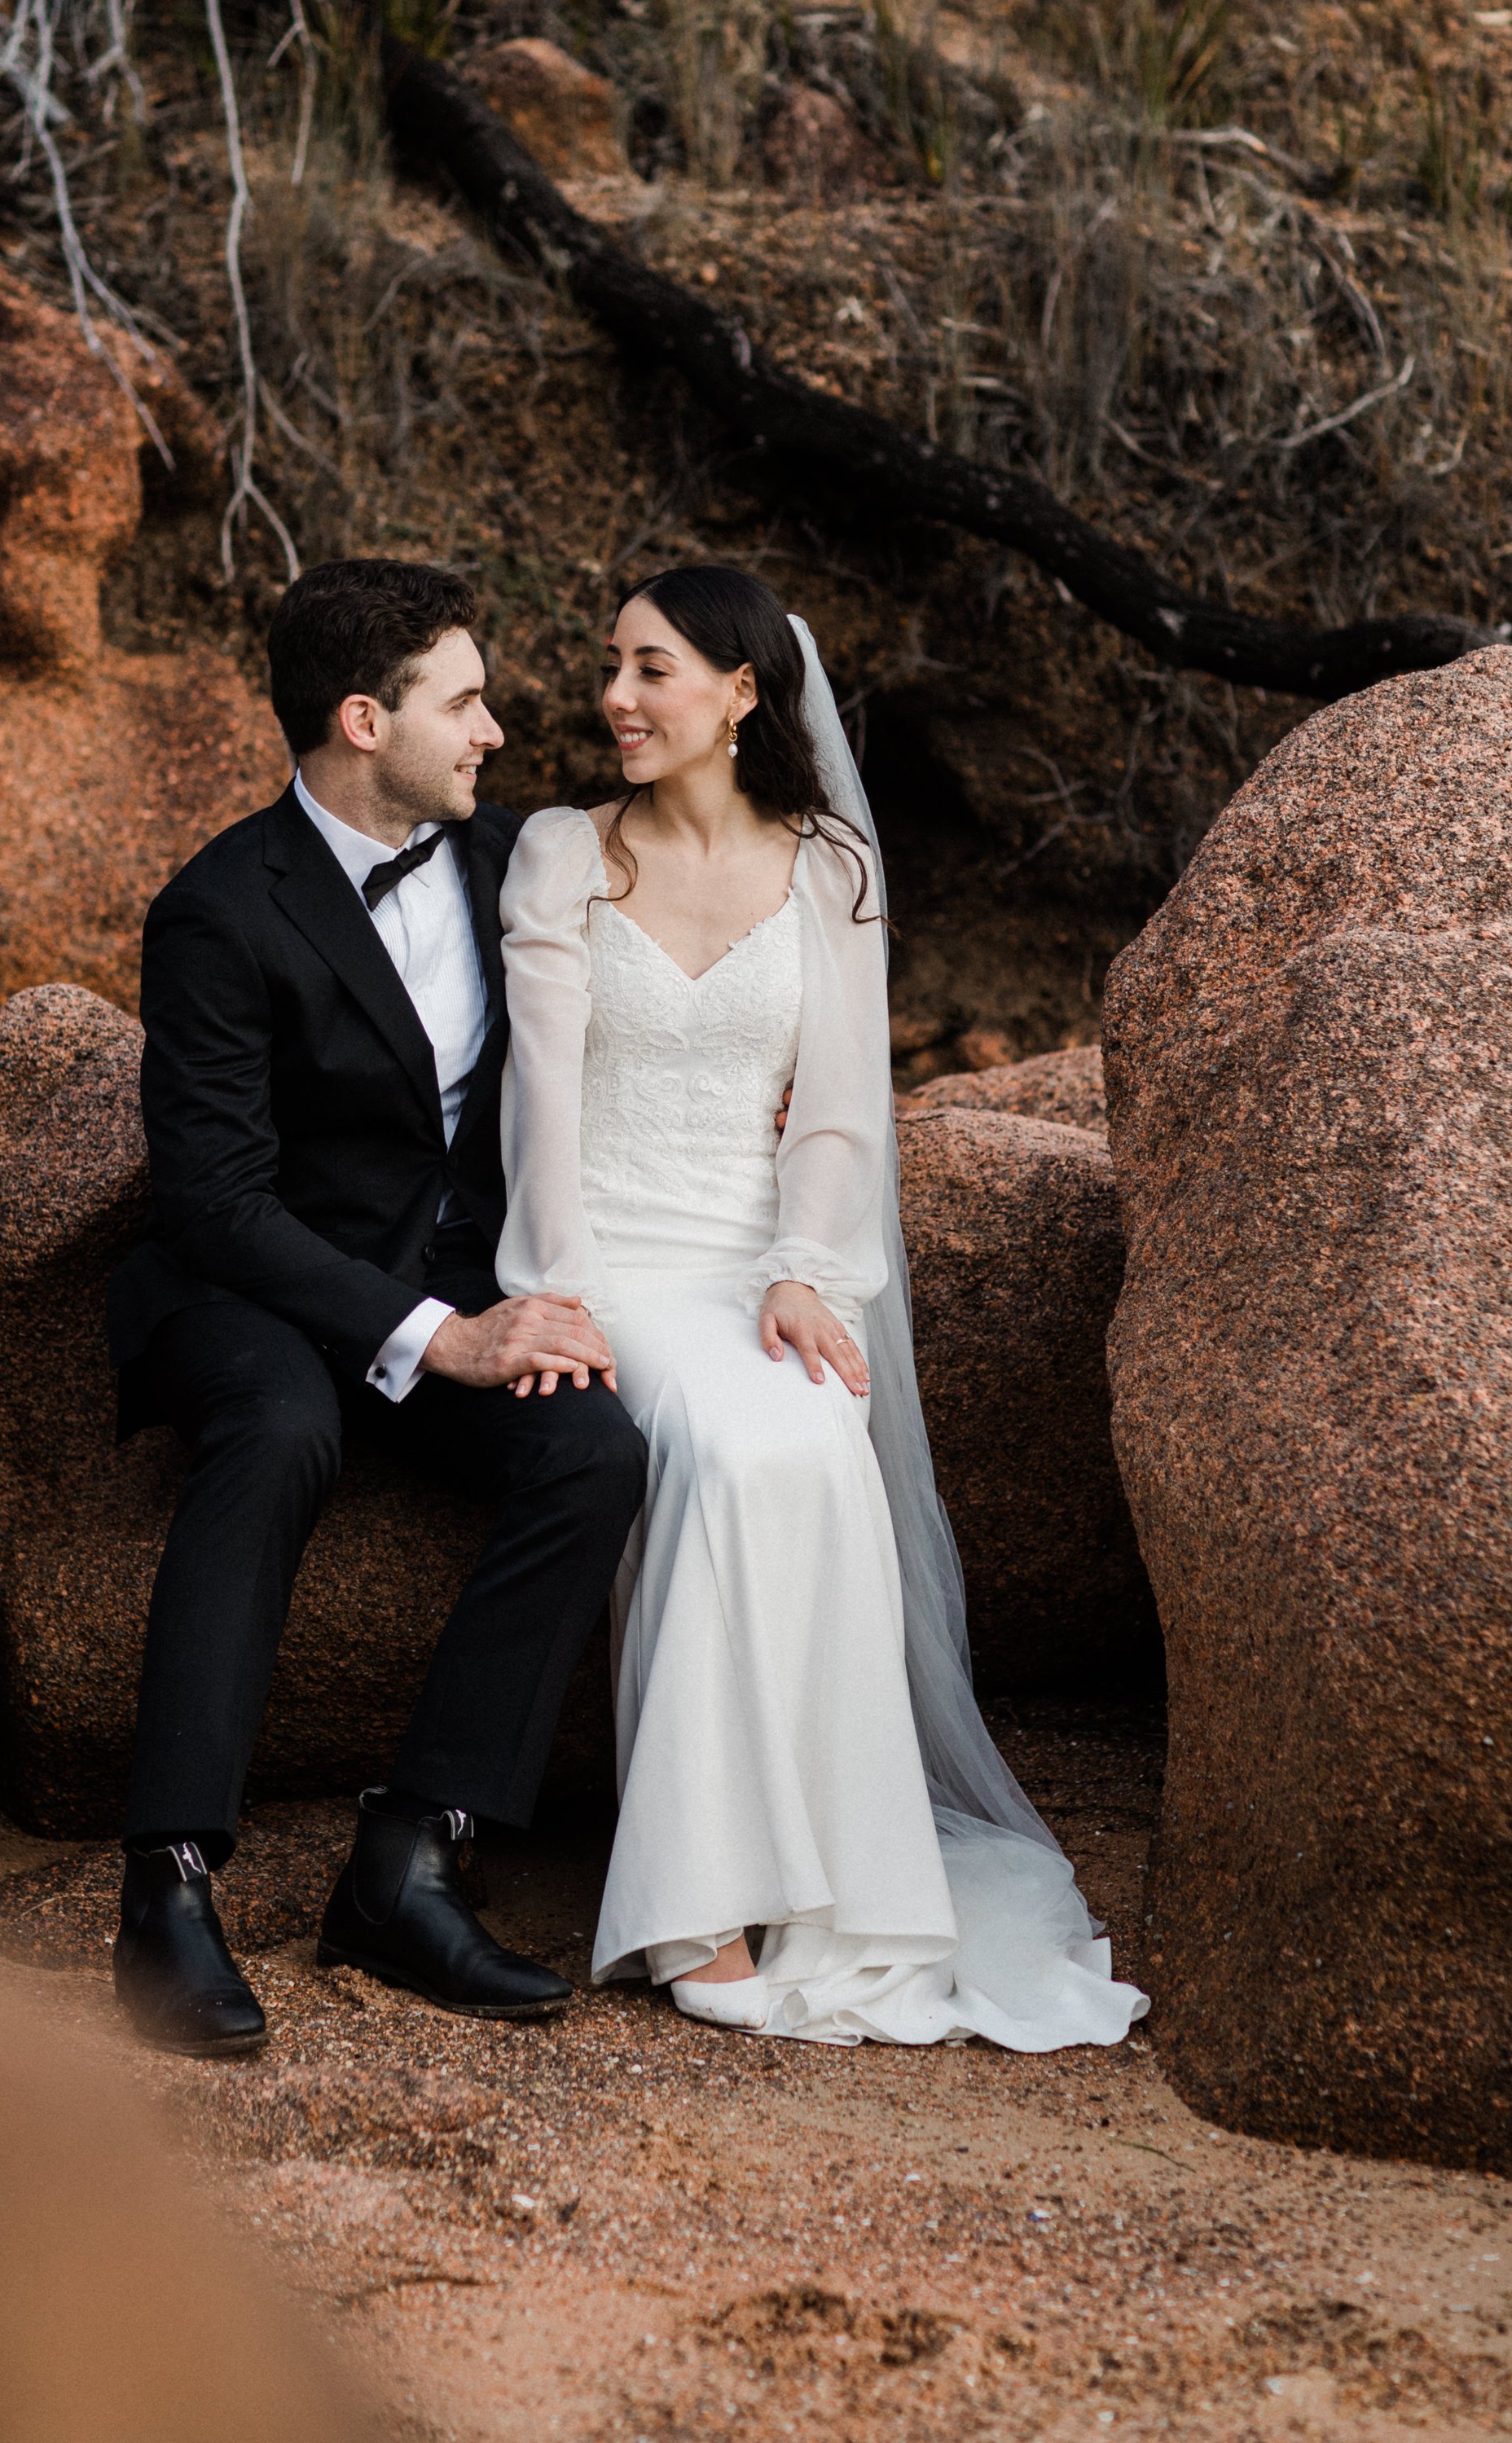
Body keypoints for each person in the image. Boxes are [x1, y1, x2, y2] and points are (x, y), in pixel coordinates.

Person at [495, 565, 1150, 2045]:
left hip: (751, 1257)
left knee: (819, 1437)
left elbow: (842, 1107)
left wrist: (806, 1267)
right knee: (730, 1456)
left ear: (740, 691)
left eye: (652, 669)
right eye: (613, 665)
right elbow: (537, 1106)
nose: (616, 695)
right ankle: (696, 1900)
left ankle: (836, 1880)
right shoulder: (561, 854)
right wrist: (556, 1293)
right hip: (620, 1262)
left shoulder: (832, 869)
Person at [104, 560, 646, 2055]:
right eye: (461, 700)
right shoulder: (218, 910)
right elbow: (216, 1202)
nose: (493, 727)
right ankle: (165, 1891)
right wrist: (443, 1339)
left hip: (450, 1276)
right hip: (253, 1289)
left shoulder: (498, 861)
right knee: (279, 1428)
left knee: (595, 1450)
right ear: (363, 718)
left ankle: (410, 1860)